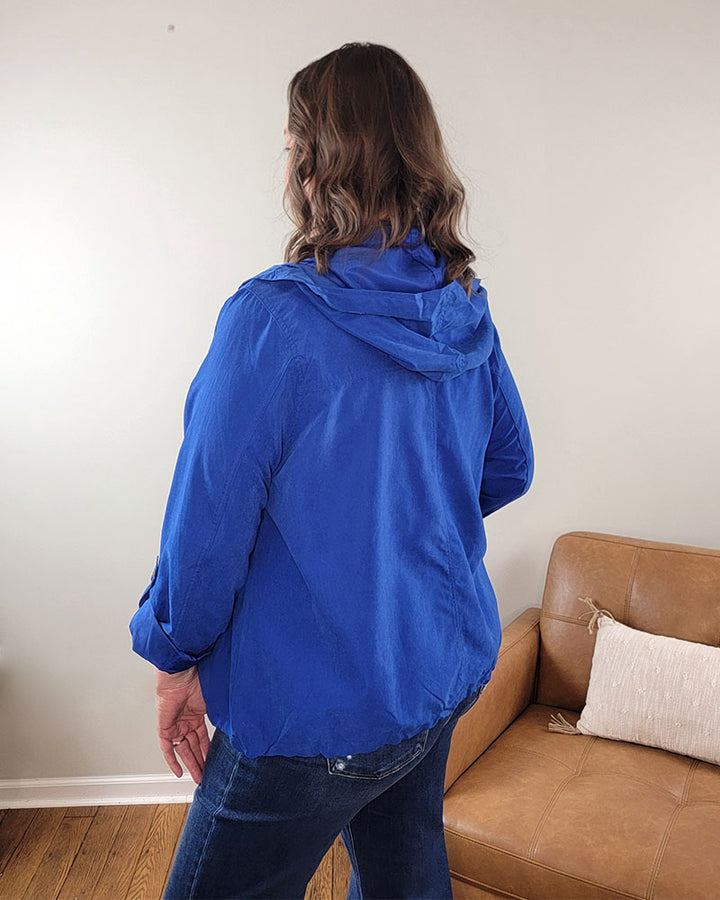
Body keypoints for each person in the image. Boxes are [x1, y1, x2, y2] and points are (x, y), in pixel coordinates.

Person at [129, 41, 534, 900]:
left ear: (317, 164)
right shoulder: (463, 302)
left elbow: (207, 531)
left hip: (309, 717)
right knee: (405, 875)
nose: (286, 164)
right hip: (437, 676)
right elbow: (506, 466)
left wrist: (173, 661)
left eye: (290, 145)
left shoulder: (271, 322)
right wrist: (392, 533)